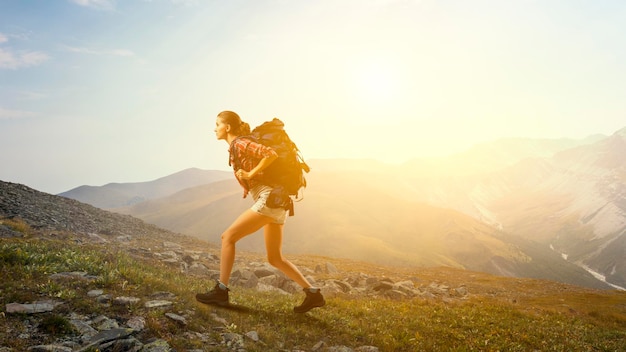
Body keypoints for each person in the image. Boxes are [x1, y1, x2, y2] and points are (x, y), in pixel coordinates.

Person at [196, 110, 325, 313]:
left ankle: (221, 291)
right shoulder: (235, 147)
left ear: (227, 127)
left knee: (227, 237)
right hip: (277, 201)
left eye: (217, 124)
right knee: (275, 258)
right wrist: (249, 186)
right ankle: (313, 294)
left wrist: (250, 174)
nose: (215, 128)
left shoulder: (239, 143)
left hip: (270, 199)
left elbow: (270, 154)